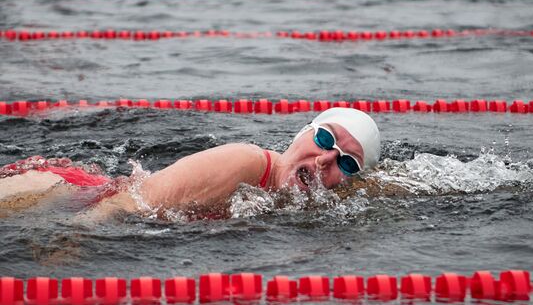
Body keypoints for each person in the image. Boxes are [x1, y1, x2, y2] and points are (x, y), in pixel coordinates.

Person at [0, 108, 381, 220]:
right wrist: (67, 240)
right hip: (66, 192)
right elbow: (125, 203)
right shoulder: (245, 163)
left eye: (346, 163)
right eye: (325, 140)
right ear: (302, 133)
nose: (326, 159)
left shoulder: (289, 201)